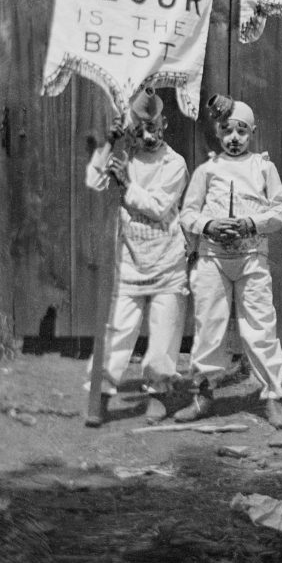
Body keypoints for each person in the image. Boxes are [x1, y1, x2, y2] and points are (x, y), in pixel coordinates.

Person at [176, 96, 282, 429]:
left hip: (252, 257)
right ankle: (203, 392)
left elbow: (279, 211)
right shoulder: (207, 170)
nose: (234, 138)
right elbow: (188, 213)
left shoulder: (263, 168)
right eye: (227, 131)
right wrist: (208, 225)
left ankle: (272, 395)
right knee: (209, 325)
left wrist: (250, 224)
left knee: (260, 327)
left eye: (242, 131)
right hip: (213, 259)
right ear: (218, 133)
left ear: (252, 132)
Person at [83, 88, 188, 425]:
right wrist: (107, 144)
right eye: (139, 129)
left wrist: (126, 184)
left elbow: (158, 208)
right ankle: (99, 394)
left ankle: (158, 393)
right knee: (117, 330)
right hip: (129, 261)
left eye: (153, 127)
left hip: (167, 260)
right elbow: (94, 180)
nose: (146, 135)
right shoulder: (124, 154)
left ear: (165, 124)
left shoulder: (175, 163)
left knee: (163, 335)